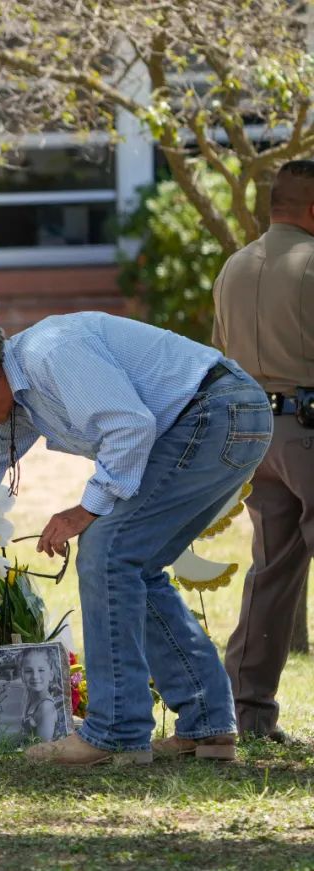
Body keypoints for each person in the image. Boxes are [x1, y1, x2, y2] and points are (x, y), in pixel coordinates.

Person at [0, 300, 270, 764]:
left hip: (218, 412)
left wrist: (84, 511)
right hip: (220, 416)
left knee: (107, 548)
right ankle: (208, 726)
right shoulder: (15, 401)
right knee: (131, 562)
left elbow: (129, 426)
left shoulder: (51, 353)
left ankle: (116, 732)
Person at [214, 160, 314, 743]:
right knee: (272, 570)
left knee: (271, 571)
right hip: (308, 429)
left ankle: (247, 714)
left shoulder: (233, 266)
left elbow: (220, 353)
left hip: (255, 433)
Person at [18, 648, 58, 742]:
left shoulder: (45, 707)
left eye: (41, 670)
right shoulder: (29, 698)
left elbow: (44, 747)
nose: (35, 676)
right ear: (22, 675)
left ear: (51, 675)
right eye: (28, 671)